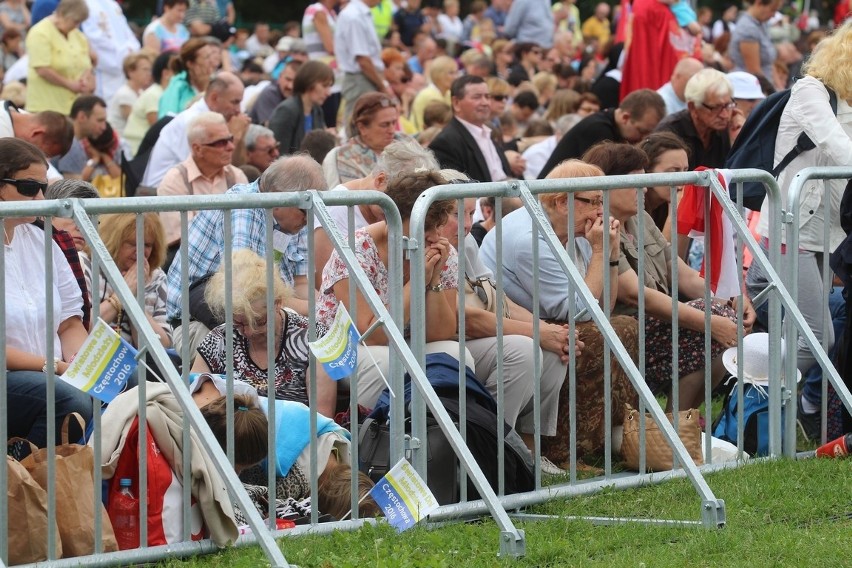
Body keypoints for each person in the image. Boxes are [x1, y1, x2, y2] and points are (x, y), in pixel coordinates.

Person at [480, 160, 639, 466]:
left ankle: (604, 439)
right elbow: (579, 312)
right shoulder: (529, 238)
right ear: (562, 202)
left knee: (623, 326)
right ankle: (561, 451)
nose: (599, 212)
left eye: (601, 201)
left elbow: (604, 306)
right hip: (513, 326)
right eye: (593, 202)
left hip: (549, 320)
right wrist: (600, 251)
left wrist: (612, 255)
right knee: (591, 339)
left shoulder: (571, 229)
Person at [582, 142, 753, 410]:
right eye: (635, 182)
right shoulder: (598, 226)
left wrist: (733, 299)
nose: (646, 188)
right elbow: (635, 294)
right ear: (605, 185)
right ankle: (672, 433)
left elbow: (682, 275)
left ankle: (682, 425)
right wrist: (711, 321)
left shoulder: (641, 220)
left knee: (722, 313)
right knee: (714, 322)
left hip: (649, 327)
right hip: (622, 330)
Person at [746, 21, 852, 426]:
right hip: (791, 228)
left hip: (831, 231)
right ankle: (752, 384)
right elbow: (841, 150)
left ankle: (772, 417)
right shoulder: (810, 90)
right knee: (816, 338)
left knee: (808, 334)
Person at [439, 185, 571, 475]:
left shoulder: (466, 241)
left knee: (555, 350)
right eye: (456, 213)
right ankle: (491, 452)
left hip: (474, 336)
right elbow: (464, 319)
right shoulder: (429, 246)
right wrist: (538, 333)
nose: (465, 224)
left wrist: (546, 330)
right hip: (446, 339)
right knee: (524, 349)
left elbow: (498, 298)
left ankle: (527, 453)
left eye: (471, 213)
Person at [316, 170, 463, 409]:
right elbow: (372, 335)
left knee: (454, 353)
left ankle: (442, 436)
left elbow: (442, 332)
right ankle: (374, 439)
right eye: (425, 226)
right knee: (385, 362)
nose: (434, 236)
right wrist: (416, 281)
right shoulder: (356, 249)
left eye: (439, 226)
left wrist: (434, 278)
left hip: (401, 342)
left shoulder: (441, 249)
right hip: (345, 349)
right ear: (392, 217)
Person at [166, 154, 325, 352]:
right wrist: (321, 310)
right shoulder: (243, 209)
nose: (310, 219)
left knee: (318, 344)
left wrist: (327, 307)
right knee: (291, 349)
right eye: (307, 211)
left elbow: (301, 284)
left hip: (260, 318)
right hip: (200, 323)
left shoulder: (296, 217)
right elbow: (250, 295)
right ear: (278, 197)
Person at [2, 138, 93, 448]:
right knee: (70, 400)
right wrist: (55, 367)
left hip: (50, 371)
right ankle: (22, 483)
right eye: (30, 188)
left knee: (135, 384)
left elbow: (69, 322)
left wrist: (87, 365)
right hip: (14, 374)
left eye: (43, 188)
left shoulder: (45, 242)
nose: (41, 198)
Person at [191, 249, 337, 417]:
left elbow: (322, 420)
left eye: (259, 322)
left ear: (278, 302)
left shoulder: (314, 338)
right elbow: (191, 404)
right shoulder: (218, 341)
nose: (249, 331)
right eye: (238, 323)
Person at [156, 111, 248, 248]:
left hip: (234, 258)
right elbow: (182, 239)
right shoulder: (175, 180)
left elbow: (249, 227)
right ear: (198, 149)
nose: (231, 147)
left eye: (230, 139)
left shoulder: (236, 176)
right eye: (221, 142)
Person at [143, 71, 249, 189]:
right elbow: (205, 168)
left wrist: (239, 137)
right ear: (214, 98)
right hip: (161, 194)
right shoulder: (192, 121)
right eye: (235, 102)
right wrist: (235, 136)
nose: (238, 110)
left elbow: (237, 165)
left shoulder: (217, 121)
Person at [537, 88, 666, 179]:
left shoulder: (606, 124)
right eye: (642, 131)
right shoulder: (598, 129)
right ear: (625, 118)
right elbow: (601, 177)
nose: (643, 138)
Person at [95, 212, 172, 348]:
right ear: (114, 240)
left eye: (147, 245)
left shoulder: (156, 276)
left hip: (137, 366)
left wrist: (134, 299)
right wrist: (121, 295)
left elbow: (162, 346)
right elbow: (82, 329)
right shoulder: (87, 265)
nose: (140, 252)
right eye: (132, 244)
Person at [429, 75, 513, 184]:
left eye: (487, 97)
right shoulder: (446, 143)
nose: (485, 103)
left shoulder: (490, 135)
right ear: (456, 103)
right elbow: (455, 193)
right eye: (477, 97)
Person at [654, 68, 734, 171]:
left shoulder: (728, 128)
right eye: (715, 108)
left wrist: (738, 139)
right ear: (692, 107)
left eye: (727, 105)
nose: (725, 115)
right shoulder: (670, 131)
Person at [322, 92, 404, 187]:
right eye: (384, 125)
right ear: (362, 128)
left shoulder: (405, 142)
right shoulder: (341, 157)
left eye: (394, 123)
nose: (392, 130)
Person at [25, 0, 93, 114]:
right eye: (75, 21)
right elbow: (42, 69)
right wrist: (70, 85)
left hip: (73, 107)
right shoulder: (40, 33)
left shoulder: (78, 35)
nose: (77, 26)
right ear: (62, 14)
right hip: (46, 108)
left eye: (80, 22)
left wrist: (84, 80)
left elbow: (87, 63)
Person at [335, 0, 387, 125]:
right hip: (360, 80)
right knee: (357, 127)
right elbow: (362, 60)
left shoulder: (360, 14)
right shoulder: (354, 16)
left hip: (365, 78)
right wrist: (382, 85)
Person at [80, 0, 141, 103]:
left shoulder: (112, 4)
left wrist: (131, 50)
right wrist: (123, 55)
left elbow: (127, 32)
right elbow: (94, 39)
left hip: (124, 61)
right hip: (106, 71)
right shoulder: (85, 4)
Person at [268, 60, 333, 155]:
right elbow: (278, 155)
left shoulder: (317, 111)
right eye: (324, 86)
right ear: (309, 82)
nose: (328, 93)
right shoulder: (287, 111)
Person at [124, 52, 177, 156]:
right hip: (139, 152)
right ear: (166, 73)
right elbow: (159, 130)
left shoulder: (168, 94)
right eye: (177, 70)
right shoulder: (154, 94)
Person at [637, 131, 691, 233]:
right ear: (647, 170)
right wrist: (675, 215)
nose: (683, 179)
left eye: (685, 170)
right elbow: (668, 249)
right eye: (673, 171)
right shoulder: (634, 208)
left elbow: (681, 249)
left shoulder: (665, 203)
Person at [158, 37, 218, 118]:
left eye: (212, 56)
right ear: (190, 64)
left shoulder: (216, 83)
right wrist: (189, 110)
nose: (212, 62)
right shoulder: (178, 86)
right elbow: (165, 119)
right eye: (206, 57)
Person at [55, 95, 108, 179]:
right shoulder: (71, 145)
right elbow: (73, 189)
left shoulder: (70, 140)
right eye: (100, 120)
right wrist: (94, 160)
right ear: (82, 117)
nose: (104, 127)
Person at [729, 0, 782, 80]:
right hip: (751, 86)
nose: (774, 15)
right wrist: (772, 91)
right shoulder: (748, 28)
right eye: (772, 10)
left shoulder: (762, 24)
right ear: (759, 3)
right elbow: (754, 71)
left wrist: (779, 88)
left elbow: (769, 64)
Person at [107, 52, 154, 139]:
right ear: (130, 72)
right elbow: (135, 122)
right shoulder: (124, 94)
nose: (149, 74)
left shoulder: (141, 92)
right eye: (145, 70)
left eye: (150, 70)